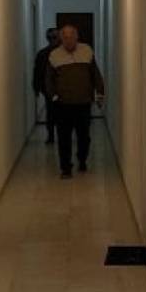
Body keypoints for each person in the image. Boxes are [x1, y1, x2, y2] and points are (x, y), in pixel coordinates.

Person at [45, 24, 105, 178]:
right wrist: (53, 96)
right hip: (63, 105)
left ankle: (82, 160)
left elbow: (95, 74)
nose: (68, 40)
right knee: (63, 138)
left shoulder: (86, 51)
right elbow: (49, 80)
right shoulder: (54, 55)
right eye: (65, 37)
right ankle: (66, 168)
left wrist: (100, 93)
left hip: (83, 103)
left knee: (84, 137)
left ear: (77, 37)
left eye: (71, 36)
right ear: (61, 39)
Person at [32, 28, 60, 144]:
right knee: (51, 113)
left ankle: (60, 135)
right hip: (48, 88)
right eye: (51, 38)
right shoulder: (42, 54)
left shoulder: (64, 53)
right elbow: (37, 71)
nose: (53, 40)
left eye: (55, 37)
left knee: (61, 113)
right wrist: (36, 87)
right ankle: (51, 135)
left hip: (63, 88)